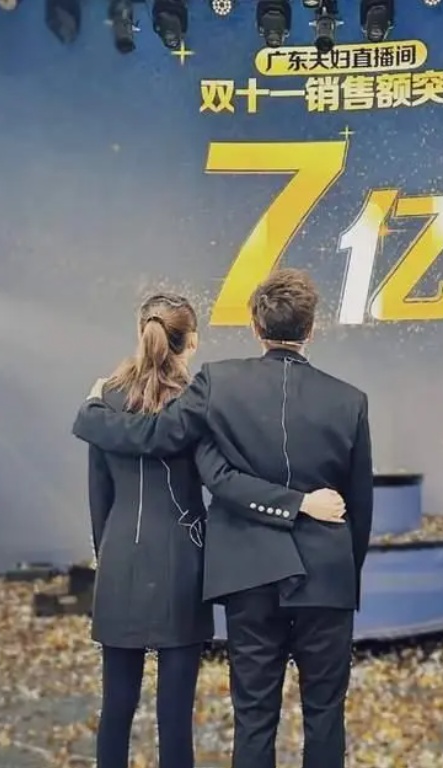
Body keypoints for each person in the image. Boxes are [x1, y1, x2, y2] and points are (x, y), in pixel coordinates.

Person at [73, 269, 374, 768]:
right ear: (312, 328)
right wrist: (343, 568)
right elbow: (360, 509)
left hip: (246, 577)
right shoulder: (351, 400)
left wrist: (91, 414)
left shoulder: (217, 384)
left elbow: (159, 441)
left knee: (253, 717)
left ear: (255, 326)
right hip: (327, 578)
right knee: (325, 717)